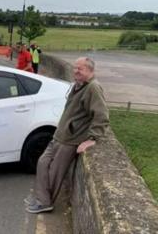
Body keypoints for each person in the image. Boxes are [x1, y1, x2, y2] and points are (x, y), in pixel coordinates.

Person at [25, 57, 110, 214]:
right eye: (75, 68)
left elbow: (102, 115)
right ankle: (41, 198)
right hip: (60, 135)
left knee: (55, 173)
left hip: (71, 139)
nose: (76, 71)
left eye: (80, 68)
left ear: (90, 70)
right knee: (42, 163)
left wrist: (92, 139)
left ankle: (45, 203)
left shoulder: (93, 88)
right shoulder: (78, 85)